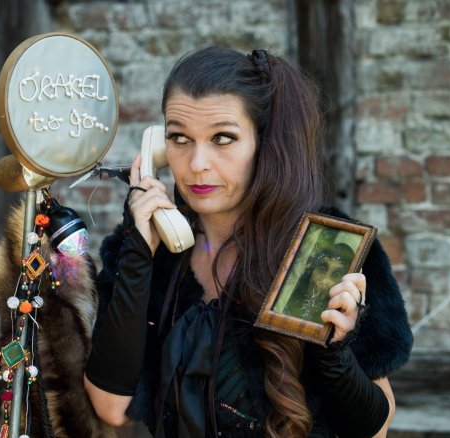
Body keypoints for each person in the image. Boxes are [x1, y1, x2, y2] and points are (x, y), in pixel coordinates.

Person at [84, 47, 413, 437]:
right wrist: (138, 254)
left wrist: (335, 354)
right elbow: (111, 406)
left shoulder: (324, 246)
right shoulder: (148, 254)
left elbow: (374, 429)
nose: (196, 163)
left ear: (263, 143)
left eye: (223, 138)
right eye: (179, 138)